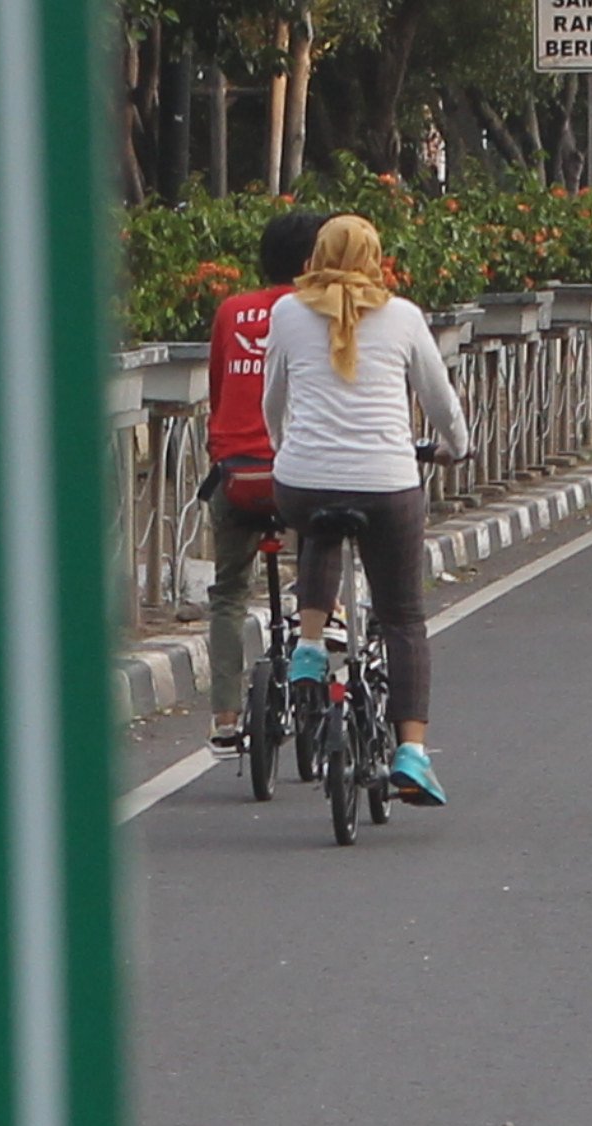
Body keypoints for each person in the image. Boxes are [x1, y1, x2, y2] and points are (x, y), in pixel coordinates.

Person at [265, 212, 472, 806]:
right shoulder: (403, 316)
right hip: (388, 488)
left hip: (302, 482)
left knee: (318, 527)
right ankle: (412, 754)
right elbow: (439, 400)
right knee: (403, 618)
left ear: (317, 256)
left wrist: (288, 452)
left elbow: (273, 398)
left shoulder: (286, 313)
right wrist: (458, 447)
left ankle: (308, 648)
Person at [199, 208, 327, 753]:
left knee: (229, 592)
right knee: (326, 557)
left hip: (235, 476)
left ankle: (225, 718)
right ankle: (323, 645)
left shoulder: (232, 311)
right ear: (312, 261)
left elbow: (217, 390)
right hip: (300, 474)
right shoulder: (320, 314)